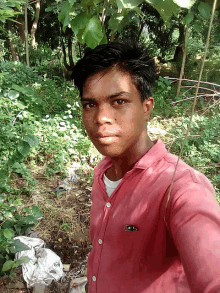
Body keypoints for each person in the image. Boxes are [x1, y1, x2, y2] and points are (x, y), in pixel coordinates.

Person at [71, 41, 220, 293]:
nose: (100, 118)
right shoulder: (102, 173)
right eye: (90, 104)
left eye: (118, 101)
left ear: (146, 107)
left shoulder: (181, 188)